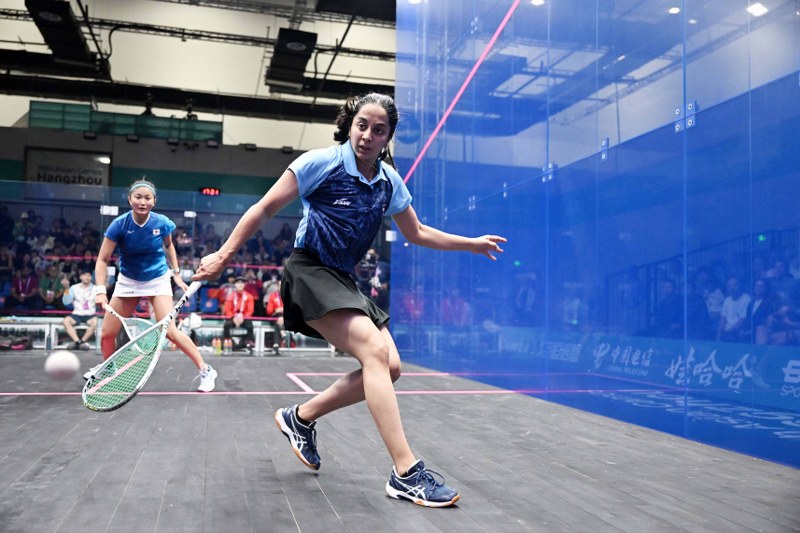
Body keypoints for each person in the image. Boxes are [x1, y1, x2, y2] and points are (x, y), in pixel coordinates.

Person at [193, 92, 506, 507]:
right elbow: (265, 208)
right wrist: (224, 254)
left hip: (342, 278)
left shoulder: (388, 181)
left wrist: (470, 243)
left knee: (390, 368)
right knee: (375, 351)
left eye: (379, 130)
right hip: (309, 271)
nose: (368, 136)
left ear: (388, 137)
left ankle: (300, 418)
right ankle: (406, 473)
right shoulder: (320, 163)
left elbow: (417, 232)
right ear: (350, 125)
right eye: (362, 125)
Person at [91, 179, 217, 392]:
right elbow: (102, 260)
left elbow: (169, 246)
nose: (142, 202)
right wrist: (101, 291)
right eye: (138, 197)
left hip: (157, 279)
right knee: (107, 334)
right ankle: (108, 368)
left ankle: (206, 370)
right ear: (129, 199)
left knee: (170, 331)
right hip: (129, 281)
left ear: (154, 201)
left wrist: (176, 274)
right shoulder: (119, 225)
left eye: (147, 198)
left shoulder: (162, 223)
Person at [61, 268, 98, 350]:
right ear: (80, 277)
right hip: (77, 314)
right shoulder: (74, 288)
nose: (87, 277)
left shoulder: (96, 288)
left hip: (90, 314)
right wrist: (66, 289)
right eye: (85, 275)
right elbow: (66, 302)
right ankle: (78, 342)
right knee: (66, 321)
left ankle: (81, 342)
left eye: (89, 276)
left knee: (96, 323)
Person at [222, 275, 255, 351]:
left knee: (250, 326)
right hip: (233, 317)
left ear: (244, 285)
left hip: (244, 318)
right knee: (226, 325)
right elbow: (227, 310)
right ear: (235, 284)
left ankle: (248, 343)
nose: (240, 284)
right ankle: (228, 343)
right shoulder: (231, 296)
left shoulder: (249, 296)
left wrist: (243, 317)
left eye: (242, 283)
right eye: (238, 283)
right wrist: (233, 318)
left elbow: (250, 310)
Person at [265, 279, 286, 352]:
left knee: (279, 320)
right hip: (275, 317)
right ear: (277, 286)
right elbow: (268, 311)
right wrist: (276, 310)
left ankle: (276, 344)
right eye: (280, 285)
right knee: (279, 318)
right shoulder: (273, 296)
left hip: (286, 318)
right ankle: (282, 333)